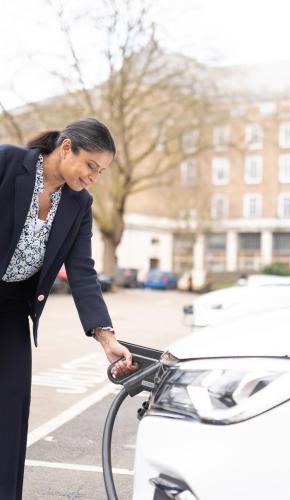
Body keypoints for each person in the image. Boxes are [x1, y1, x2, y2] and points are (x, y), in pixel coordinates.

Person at [0, 118, 136, 499]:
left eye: (101, 171)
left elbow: (82, 270)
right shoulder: (8, 163)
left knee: (11, 406)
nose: (94, 176)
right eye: (90, 165)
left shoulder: (79, 203)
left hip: (10, 310)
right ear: (65, 148)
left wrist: (105, 336)